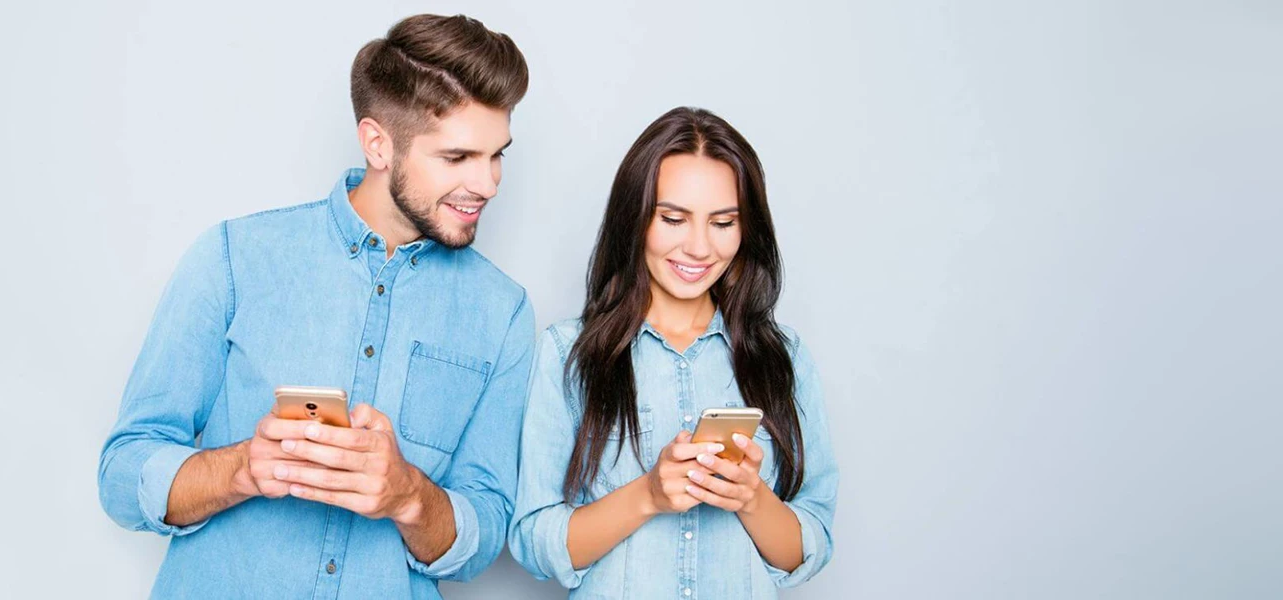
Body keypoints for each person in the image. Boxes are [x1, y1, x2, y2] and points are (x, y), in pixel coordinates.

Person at [98, 14, 534, 598]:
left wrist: (409, 494)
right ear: (378, 143)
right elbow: (122, 475)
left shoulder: (502, 313)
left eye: (496, 155)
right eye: (457, 158)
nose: (488, 184)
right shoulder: (234, 258)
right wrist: (243, 469)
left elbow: (483, 534)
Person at [509, 107, 838, 598]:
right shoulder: (569, 353)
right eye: (673, 219)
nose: (700, 247)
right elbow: (534, 541)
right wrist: (649, 495)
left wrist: (751, 499)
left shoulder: (783, 358)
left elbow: (810, 546)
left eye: (723, 222)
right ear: (635, 219)